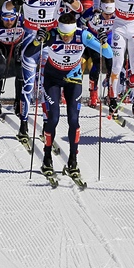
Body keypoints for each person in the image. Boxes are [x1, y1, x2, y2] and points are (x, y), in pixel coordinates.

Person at [30, 13, 112, 178]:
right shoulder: (52, 35)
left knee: (73, 119)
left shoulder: (84, 35)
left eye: (68, 35)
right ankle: (47, 157)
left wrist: (103, 43)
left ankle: (73, 159)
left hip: (73, 79)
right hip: (52, 78)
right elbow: (28, 53)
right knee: (53, 118)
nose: (66, 38)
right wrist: (38, 40)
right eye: (63, 35)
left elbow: (109, 54)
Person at [5, 0, 82, 138]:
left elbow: (79, 9)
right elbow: (5, 8)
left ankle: (47, 124)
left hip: (50, 39)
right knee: (29, 85)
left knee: (45, 86)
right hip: (30, 38)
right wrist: (15, 2)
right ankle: (23, 124)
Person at [79, 0, 115, 108]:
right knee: (96, 63)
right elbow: (80, 22)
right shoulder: (93, 11)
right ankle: (93, 95)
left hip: (109, 36)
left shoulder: (117, 12)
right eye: (106, 14)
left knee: (111, 65)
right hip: (93, 37)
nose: (108, 16)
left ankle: (111, 93)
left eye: (111, 14)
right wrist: (85, 29)